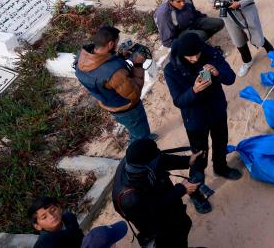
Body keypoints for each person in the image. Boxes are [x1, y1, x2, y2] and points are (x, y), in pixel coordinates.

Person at [164, 31, 242, 212]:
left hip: (217, 110)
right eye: (190, 56)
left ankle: (221, 167)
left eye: (197, 54)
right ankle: (196, 192)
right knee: (199, 158)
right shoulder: (172, 69)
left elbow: (230, 78)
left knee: (221, 142)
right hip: (195, 120)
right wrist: (194, 90)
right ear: (181, 54)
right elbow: (179, 101)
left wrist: (217, 72)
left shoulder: (211, 54)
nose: (194, 58)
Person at [112, 139, 201, 245]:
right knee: (175, 241)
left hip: (170, 208)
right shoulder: (131, 199)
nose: (157, 160)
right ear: (145, 165)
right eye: (154, 160)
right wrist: (181, 189)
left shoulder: (133, 160)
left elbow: (160, 160)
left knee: (184, 225)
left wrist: (187, 161)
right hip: (159, 227)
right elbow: (156, 210)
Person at [75, 25, 151, 141]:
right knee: (141, 137)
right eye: (116, 42)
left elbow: (100, 69)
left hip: (111, 105)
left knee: (133, 129)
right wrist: (138, 65)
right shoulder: (114, 73)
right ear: (110, 44)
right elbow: (134, 94)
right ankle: (142, 146)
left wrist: (119, 57)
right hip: (128, 108)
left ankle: (137, 137)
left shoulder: (82, 58)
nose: (117, 45)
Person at [207, 0, 274, 75]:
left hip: (246, 10)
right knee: (238, 39)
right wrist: (215, 3)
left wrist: (240, 3)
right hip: (229, 16)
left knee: (255, 33)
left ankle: (272, 53)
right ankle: (247, 61)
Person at [153, 0, 224, 48]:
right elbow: (167, 41)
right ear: (171, 2)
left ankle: (199, 41)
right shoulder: (164, 15)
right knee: (202, 35)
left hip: (192, 23)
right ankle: (196, 45)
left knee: (219, 23)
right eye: (178, 2)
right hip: (179, 33)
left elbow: (195, 13)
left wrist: (206, 20)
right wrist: (184, 46)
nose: (182, 3)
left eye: (183, 0)